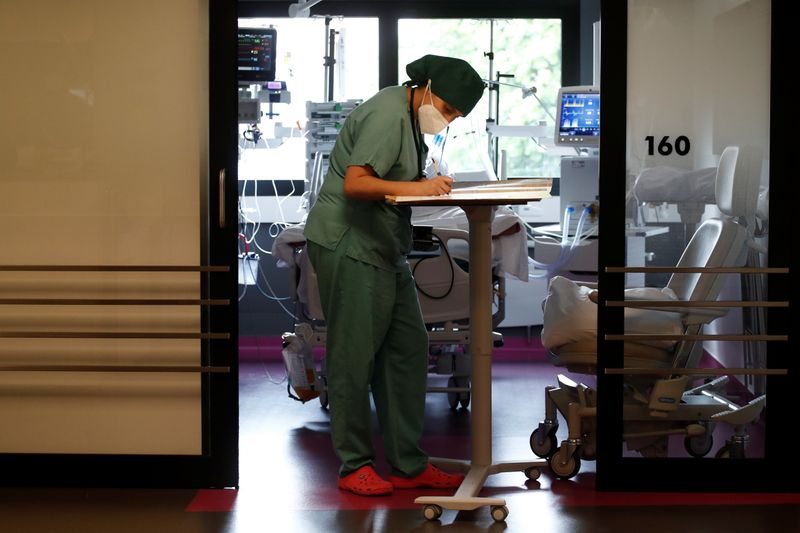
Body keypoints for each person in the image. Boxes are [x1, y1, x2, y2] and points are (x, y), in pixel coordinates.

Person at [303, 54, 486, 496]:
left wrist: (425, 185)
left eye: (455, 116)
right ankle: (354, 465)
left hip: (383, 247)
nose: (446, 120)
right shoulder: (389, 112)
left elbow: (394, 182)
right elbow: (357, 183)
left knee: (407, 346)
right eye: (445, 109)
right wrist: (421, 188)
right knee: (354, 354)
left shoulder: (409, 117)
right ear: (423, 87)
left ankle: (408, 463)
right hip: (350, 243)